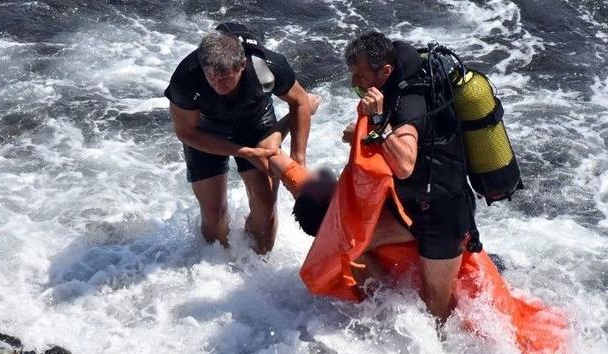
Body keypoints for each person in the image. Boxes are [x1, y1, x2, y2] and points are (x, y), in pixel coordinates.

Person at [341, 31, 475, 328]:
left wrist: (377, 123)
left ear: (385, 71)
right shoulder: (390, 91)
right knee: (352, 244)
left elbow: (404, 164)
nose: (354, 83)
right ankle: (390, 313)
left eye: (360, 75)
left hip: (443, 212)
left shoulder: (410, 102)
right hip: (410, 209)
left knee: (437, 306)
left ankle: (445, 351)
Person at [166, 24, 312, 253]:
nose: (217, 85)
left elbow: (300, 101)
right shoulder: (187, 76)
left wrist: (298, 158)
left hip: (255, 121)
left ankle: (257, 262)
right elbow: (185, 132)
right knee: (213, 213)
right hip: (205, 130)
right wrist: (243, 152)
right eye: (211, 77)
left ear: (242, 65)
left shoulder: (266, 65)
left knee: (265, 204)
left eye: (225, 78)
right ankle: (218, 263)